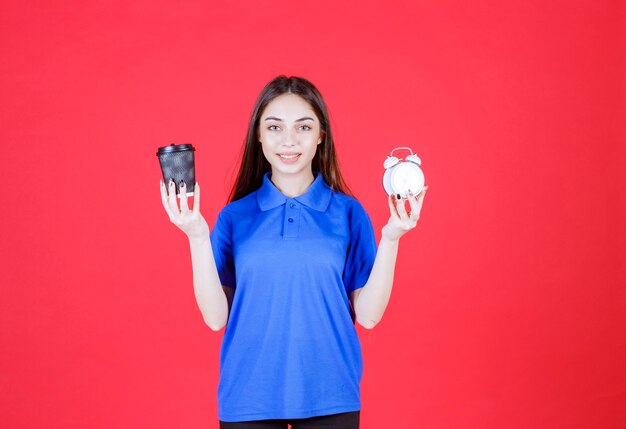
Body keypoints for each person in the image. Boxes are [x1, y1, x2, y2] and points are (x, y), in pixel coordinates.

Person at [159, 75, 428, 429]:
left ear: (321, 135)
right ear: (258, 135)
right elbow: (214, 318)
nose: (289, 140)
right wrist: (195, 234)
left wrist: (392, 237)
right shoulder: (235, 217)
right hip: (248, 397)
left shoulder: (347, 213)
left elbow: (368, 316)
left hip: (331, 395)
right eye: (274, 127)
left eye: (303, 127)